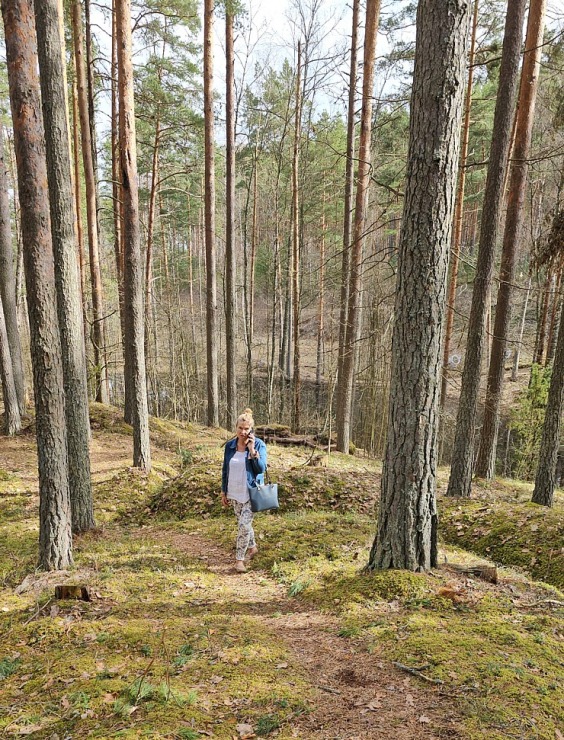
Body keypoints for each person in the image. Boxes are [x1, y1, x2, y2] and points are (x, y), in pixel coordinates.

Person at [221, 408, 267, 573]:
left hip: (251, 492)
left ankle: (239, 560)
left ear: (251, 429)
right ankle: (253, 547)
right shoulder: (230, 446)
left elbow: (261, 469)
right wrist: (223, 491)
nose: (243, 431)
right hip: (234, 491)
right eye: (240, 428)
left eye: (246, 429)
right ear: (236, 428)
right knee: (245, 525)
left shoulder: (259, 444)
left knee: (243, 525)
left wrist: (252, 450)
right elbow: (225, 469)